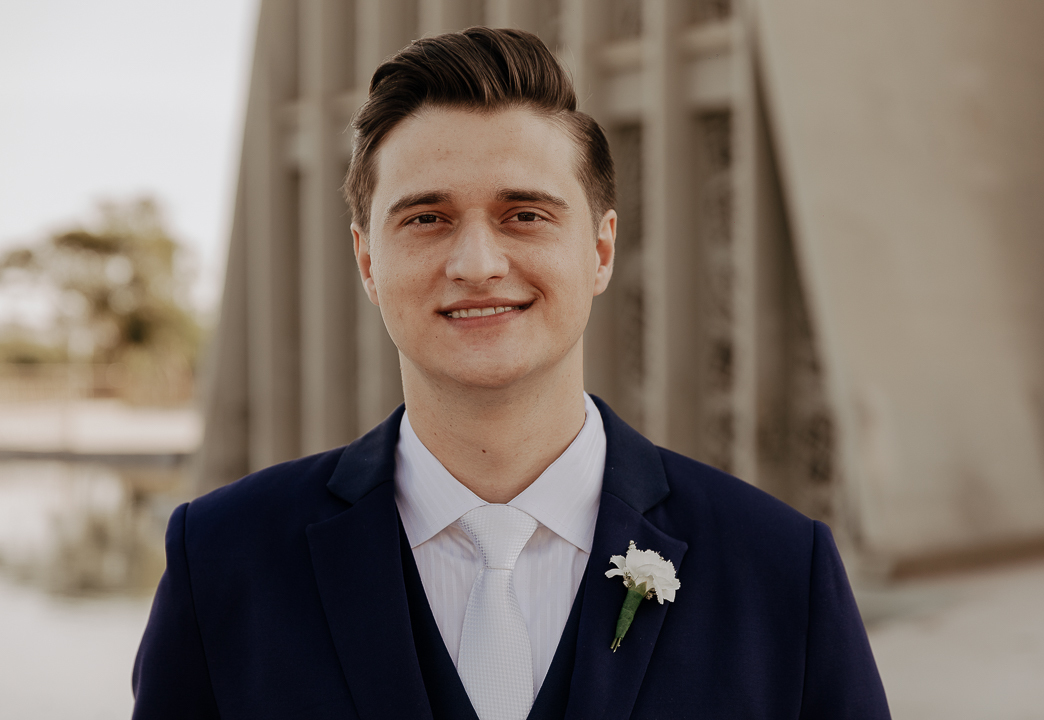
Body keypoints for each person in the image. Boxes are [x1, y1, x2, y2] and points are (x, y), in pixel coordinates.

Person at [132, 27, 890, 720]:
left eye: (524, 214)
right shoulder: (224, 561)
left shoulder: (783, 571)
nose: (477, 264)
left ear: (600, 251)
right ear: (368, 261)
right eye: (426, 218)